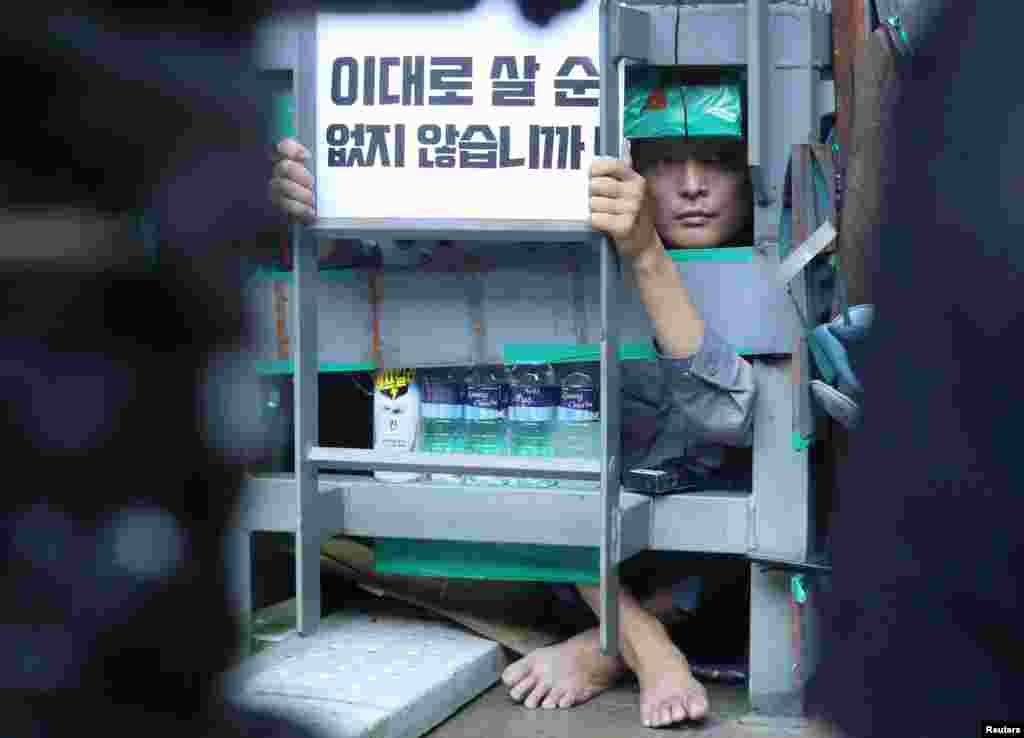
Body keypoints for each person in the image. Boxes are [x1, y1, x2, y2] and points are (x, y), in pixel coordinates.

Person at [270, 132, 756, 728]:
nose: (691, 186)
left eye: (717, 163)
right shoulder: (556, 253)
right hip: (566, 555)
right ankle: (633, 638)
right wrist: (318, 211)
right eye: (664, 165)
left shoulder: (771, 269)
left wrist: (647, 254)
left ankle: (613, 645)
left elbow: (729, 419)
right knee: (517, 433)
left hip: (705, 565)